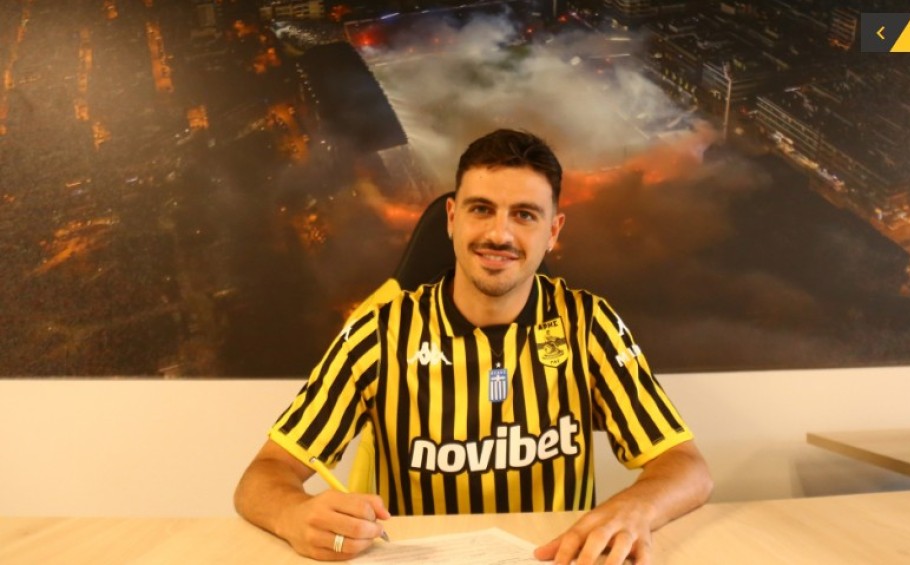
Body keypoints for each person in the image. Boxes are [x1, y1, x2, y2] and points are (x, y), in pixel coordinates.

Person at [234, 128, 713, 564]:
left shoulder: (588, 324)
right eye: (481, 209)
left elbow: (686, 466)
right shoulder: (378, 332)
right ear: (451, 219)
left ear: (553, 232)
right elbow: (263, 476)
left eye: (524, 215)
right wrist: (294, 514)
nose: (498, 234)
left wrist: (635, 508)